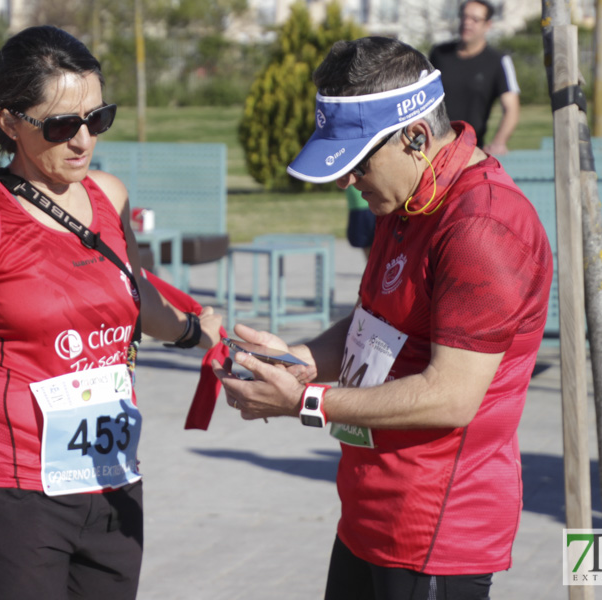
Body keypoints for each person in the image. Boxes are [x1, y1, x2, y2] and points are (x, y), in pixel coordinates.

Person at [0, 25, 222, 598]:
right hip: (12, 496)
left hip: (112, 483)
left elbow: (132, 294)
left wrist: (200, 332)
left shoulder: (109, 195)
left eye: (97, 119)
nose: (82, 141)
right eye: (60, 125)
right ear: (8, 123)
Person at [214, 37, 552, 599]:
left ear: (415, 138)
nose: (348, 182)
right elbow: (372, 323)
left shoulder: (480, 227)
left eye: (358, 162)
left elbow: (451, 396)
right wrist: (296, 363)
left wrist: (304, 402)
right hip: (369, 513)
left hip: (434, 533)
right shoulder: (406, 196)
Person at [428, 0, 520, 155]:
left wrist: (499, 142)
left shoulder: (498, 61)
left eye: (475, 19)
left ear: (488, 25)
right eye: (464, 17)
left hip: (470, 150)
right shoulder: (439, 54)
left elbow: (512, 108)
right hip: (433, 147)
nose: (467, 23)